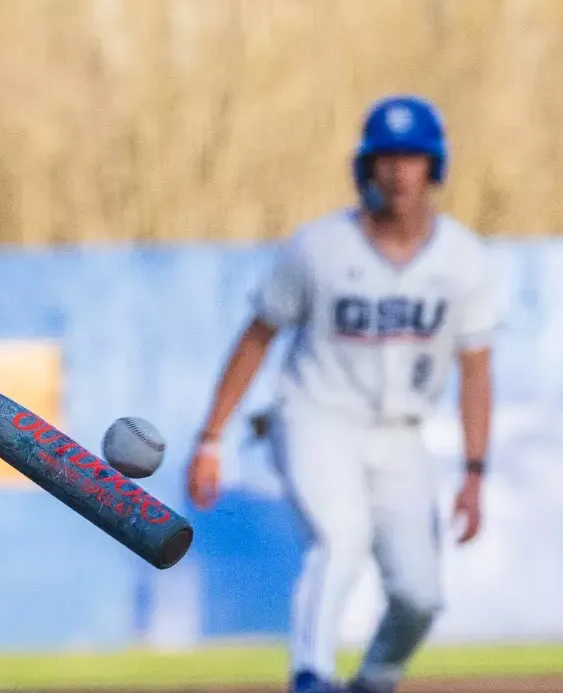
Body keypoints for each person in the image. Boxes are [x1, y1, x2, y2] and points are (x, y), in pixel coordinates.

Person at [185, 96, 497, 693]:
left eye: (412, 158)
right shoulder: (319, 247)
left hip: (400, 433)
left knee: (421, 595)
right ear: (366, 167)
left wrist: (476, 471)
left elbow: (477, 370)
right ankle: (311, 674)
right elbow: (257, 338)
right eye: (386, 158)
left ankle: (373, 682)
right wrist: (211, 436)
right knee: (341, 537)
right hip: (315, 415)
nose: (399, 172)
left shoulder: (462, 258)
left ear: (434, 167)